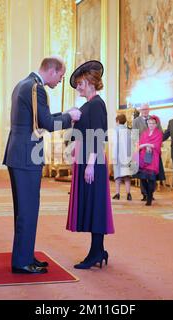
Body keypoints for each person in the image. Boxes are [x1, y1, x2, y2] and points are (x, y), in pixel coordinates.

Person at [3, 57, 81, 274]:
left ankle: (25, 256)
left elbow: (39, 119)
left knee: (24, 210)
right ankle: (21, 262)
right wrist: (69, 117)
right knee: (28, 211)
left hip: (19, 153)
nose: (60, 81)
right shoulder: (36, 88)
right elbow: (46, 123)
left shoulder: (24, 84)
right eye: (61, 76)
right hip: (27, 156)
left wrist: (65, 116)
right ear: (53, 71)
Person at [66, 60, 114, 269]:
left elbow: (98, 135)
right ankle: (99, 250)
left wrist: (91, 164)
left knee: (95, 206)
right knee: (90, 204)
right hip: (84, 159)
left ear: (91, 82)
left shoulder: (96, 104)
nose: (78, 87)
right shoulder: (86, 105)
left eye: (80, 83)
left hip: (92, 161)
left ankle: (96, 252)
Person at [132, 103, 165, 200]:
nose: (145, 111)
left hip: (154, 151)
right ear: (140, 110)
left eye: (146, 109)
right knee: (142, 174)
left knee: (152, 174)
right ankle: (144, 194)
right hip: (142, 150)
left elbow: (160, 132)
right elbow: (134, 136)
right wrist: (140, 146)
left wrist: (155, 144)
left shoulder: (155, 119)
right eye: (143, 109)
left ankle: (151, 193)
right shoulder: (136, 121)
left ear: (149, 109)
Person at [136, 115, 163, 206]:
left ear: (156, 124)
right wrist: (146, 145)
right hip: (143, 157)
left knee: (151, 179)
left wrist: (148, 145)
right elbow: (139, 145)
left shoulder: (159, 133)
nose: (151, 125)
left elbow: (157, 145)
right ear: (147, 123)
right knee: (143, 179)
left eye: (153, 123)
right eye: (149, 123)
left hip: (153, 158)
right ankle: (147, 194)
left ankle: (150, 198)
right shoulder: (144, 133)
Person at [112, 114, 133, 201]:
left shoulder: (115, 130)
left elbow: (115, 144)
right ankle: (128, 194)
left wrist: (113, 156)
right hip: (127, 156)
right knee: (127, 176)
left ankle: (117, 193)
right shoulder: (129, 131)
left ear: (117, 121)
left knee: (118, 176)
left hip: (118, 155)